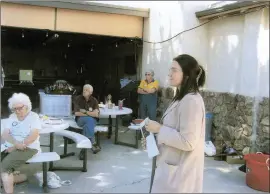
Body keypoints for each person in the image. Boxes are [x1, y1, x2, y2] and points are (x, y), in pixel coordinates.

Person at [145, 54, 206, 193]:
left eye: (174, 70)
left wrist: (160, 129)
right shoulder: (181, 97)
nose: (169, 74)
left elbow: (188, 141)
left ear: (187, 74)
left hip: (180, 176)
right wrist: (154, 139)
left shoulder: (191, 101)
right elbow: (173, 130)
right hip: (171, 168)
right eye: (170, 70)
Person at [1, 93, 41, 194]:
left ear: (27, 106)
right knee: (3, 168)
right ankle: (21, 178)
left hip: (28, 147)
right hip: (11, 145)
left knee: (5, 167)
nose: (17, 111)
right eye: (14, 109)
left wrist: (15, 146)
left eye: (20, 108)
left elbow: (33, 136)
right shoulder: (12, 116)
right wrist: (14, 143)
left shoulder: (34, 117)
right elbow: (5, 134)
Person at [74, 84, 101, 158]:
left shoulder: (94, 100)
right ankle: (93, 143)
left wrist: (85, 112)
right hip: (80, 120)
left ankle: (83, 150)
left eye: (86, 90)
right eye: (84, 89)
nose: (84, 91)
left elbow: (96, 114)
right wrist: (90, 114)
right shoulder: (78, 99)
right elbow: (76, 113)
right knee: (90, 120)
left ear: (91, 92)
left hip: (92, 120)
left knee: (88, 124)